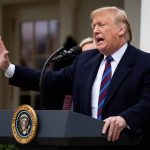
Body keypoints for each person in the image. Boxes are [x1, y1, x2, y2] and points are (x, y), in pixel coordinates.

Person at [0, 6, 150, 145]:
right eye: (93, 26)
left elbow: (147, 102)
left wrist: (125, 119)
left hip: (125, 143)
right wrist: (8, 68)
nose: (95, 30)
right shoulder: (85, 60)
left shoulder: (145, 62)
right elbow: (50, 81)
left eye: (101, 25)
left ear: (121, 29)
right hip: (85, 143)